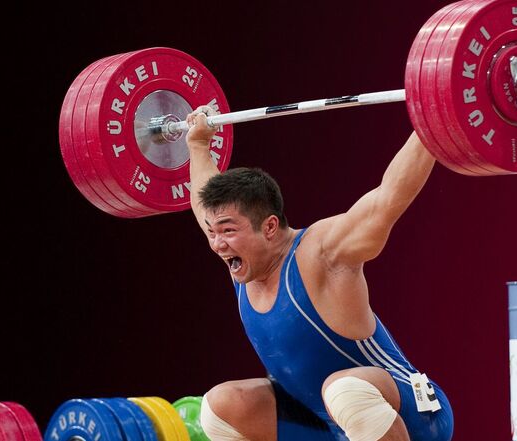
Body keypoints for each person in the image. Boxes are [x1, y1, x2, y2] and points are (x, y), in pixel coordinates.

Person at [183, 105, 454, 441]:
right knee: (221, 407)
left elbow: (387, 200)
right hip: (326, 424)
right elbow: (203, 203)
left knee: (344, 390)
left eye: (227, 231)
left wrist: (435, 118)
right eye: (212, 233)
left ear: (269, 227)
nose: (217, 244)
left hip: (414, 414)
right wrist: (197, 145)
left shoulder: (322, 253)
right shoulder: (243, 258)